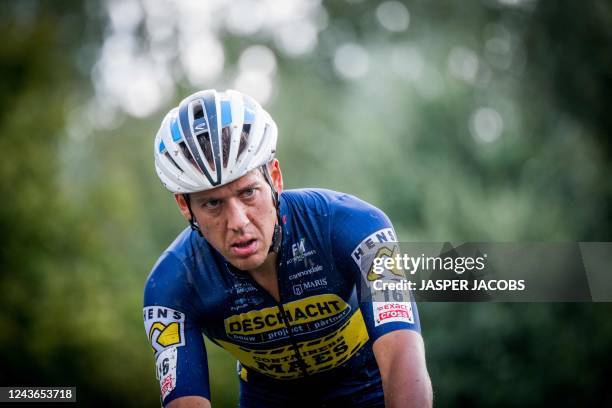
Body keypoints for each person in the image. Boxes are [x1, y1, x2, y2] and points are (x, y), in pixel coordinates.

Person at [144, 89, 432, 408]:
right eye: (212, 203)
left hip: (369, 390)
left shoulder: (354, 226)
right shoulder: (172, 283)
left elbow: (402, 354)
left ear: (275, 178)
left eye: (249, 193)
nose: (238, 221)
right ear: (186, 207)